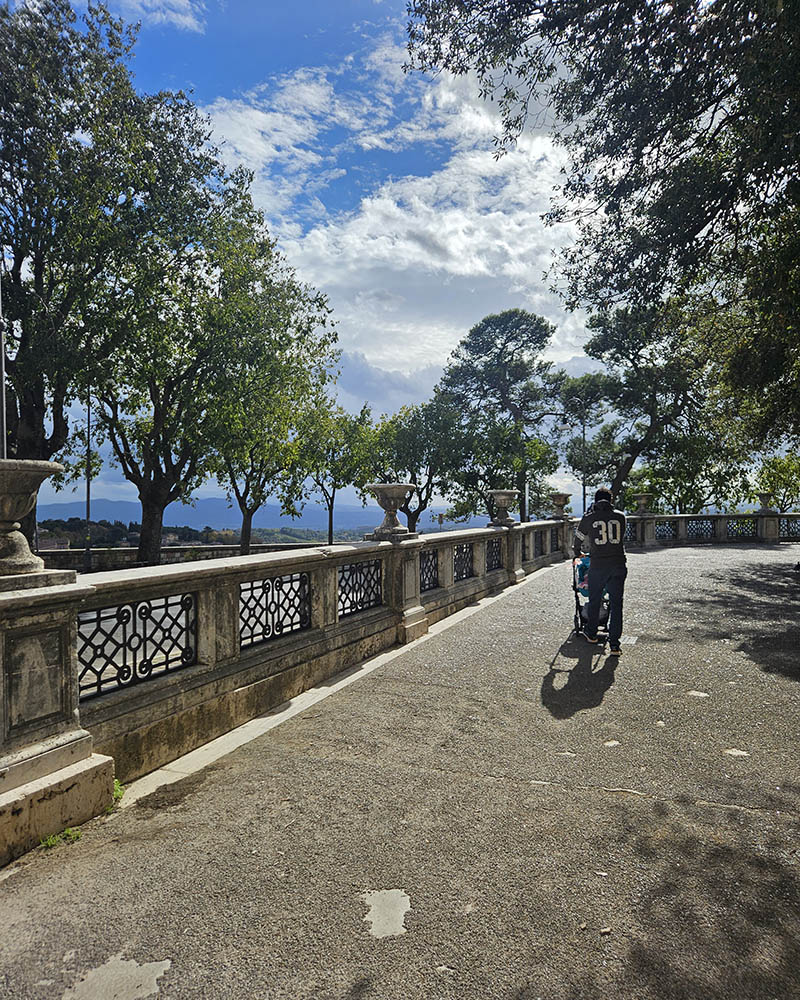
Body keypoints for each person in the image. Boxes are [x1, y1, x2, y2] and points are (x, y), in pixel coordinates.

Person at [572, 487, 627, 656]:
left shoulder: (589, 518)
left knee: (595, 599)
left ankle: (592, 633)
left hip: (598, 564)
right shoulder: (621, 516)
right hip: (618, 563)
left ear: (596, 501)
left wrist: (578, 553)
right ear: (611, 500)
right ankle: (615, 644)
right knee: (617, 604)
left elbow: (578, 541)